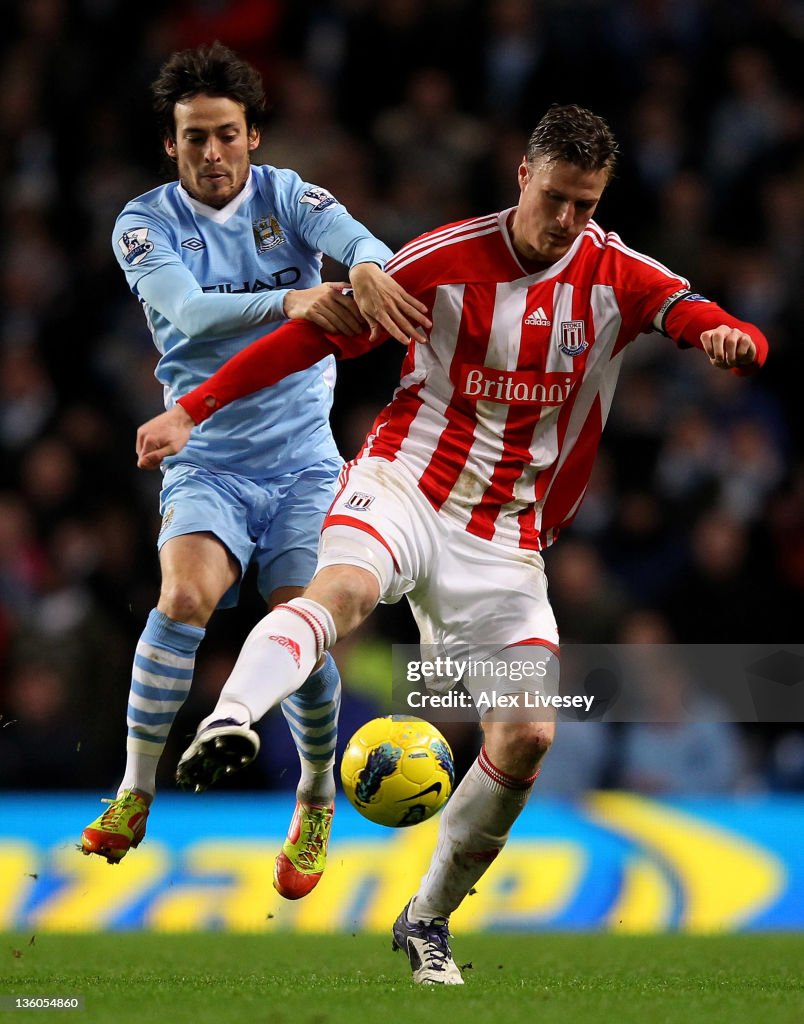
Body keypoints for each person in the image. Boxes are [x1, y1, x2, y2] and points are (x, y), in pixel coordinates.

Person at [134, 104, 768, 982]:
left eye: (585, 204)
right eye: (555, 198)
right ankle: (231, 717)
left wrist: (732, 339)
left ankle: (426, 918)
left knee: (529, 735)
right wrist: (190, 409)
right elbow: (310, 336)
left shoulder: (616, 273)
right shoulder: (437, 261)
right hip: (404, 484)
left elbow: (703, 314)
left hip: (506, 538)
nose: (566, 221)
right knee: (343, 593)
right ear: (523, 177)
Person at [79, 41, 430, 906]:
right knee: (183, 601)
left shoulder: (289, 196)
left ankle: (314, 798)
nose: (210, 153)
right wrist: (295, 298)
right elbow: (191, 311)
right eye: (193, 137)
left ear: (252, 135)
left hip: (306, 463)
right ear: (171, 144)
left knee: (296, 618)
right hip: (208, 459)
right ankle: (134, 789)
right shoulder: (144, 222)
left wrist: (368, 267)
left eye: (226, 135)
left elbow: (365, 244)